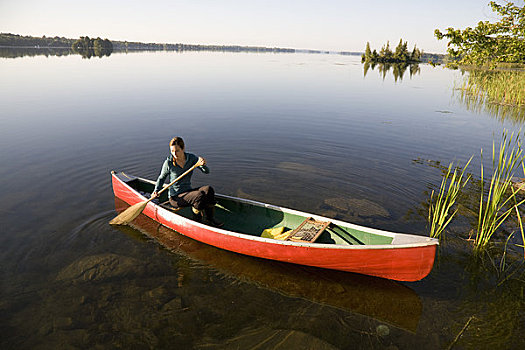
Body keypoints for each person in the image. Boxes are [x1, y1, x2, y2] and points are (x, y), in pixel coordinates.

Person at [151, 137, 223, 227]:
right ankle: (197, 220)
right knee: (199, 196)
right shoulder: (168, 163)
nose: (174, 154)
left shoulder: (191, 158)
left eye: (177, 150)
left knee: (208, 190)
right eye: (172, 151)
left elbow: (206, 171)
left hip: (188, 191)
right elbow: (161, 178)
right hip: (176, 197)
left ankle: (210, 218)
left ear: (183, 148)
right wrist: (156, 191)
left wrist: (203, 165)